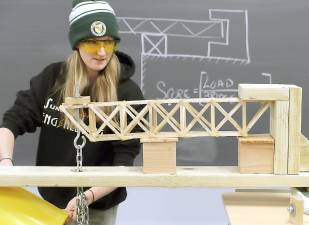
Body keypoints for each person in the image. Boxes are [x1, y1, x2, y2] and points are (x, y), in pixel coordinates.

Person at [0, 0, 144, 224]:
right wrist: (5, 163)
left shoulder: (127, 92)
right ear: (76, 44)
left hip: (98, 205)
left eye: (109, 42)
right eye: (91, 43)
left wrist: (87, 197)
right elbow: (12, 121)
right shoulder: (53, 78)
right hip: (50, 201)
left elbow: (124, 161)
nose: (102, 52)